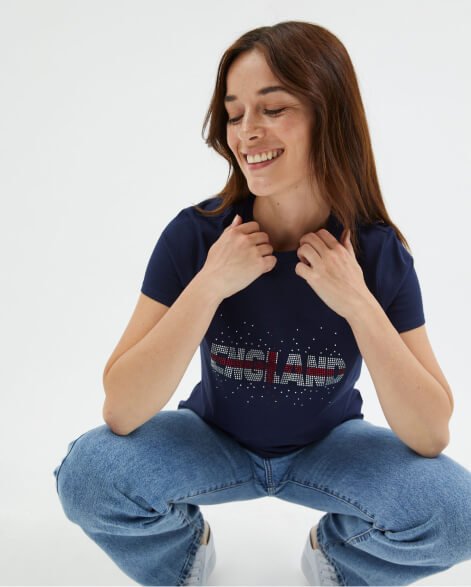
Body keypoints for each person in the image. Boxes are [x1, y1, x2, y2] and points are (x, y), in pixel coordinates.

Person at [53, 21, 471, 586]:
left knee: (459, 514)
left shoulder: (376, 253)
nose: (247, 131)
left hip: (330, 449)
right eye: (234, 113)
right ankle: (183, 558)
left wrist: (358, 302)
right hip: (211, 441)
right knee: (88, 474)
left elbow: (431, 434)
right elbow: (122, 410)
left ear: (330, 115)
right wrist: (209, 284)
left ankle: (336, 559)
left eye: (272, 109)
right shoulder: (196, 236)